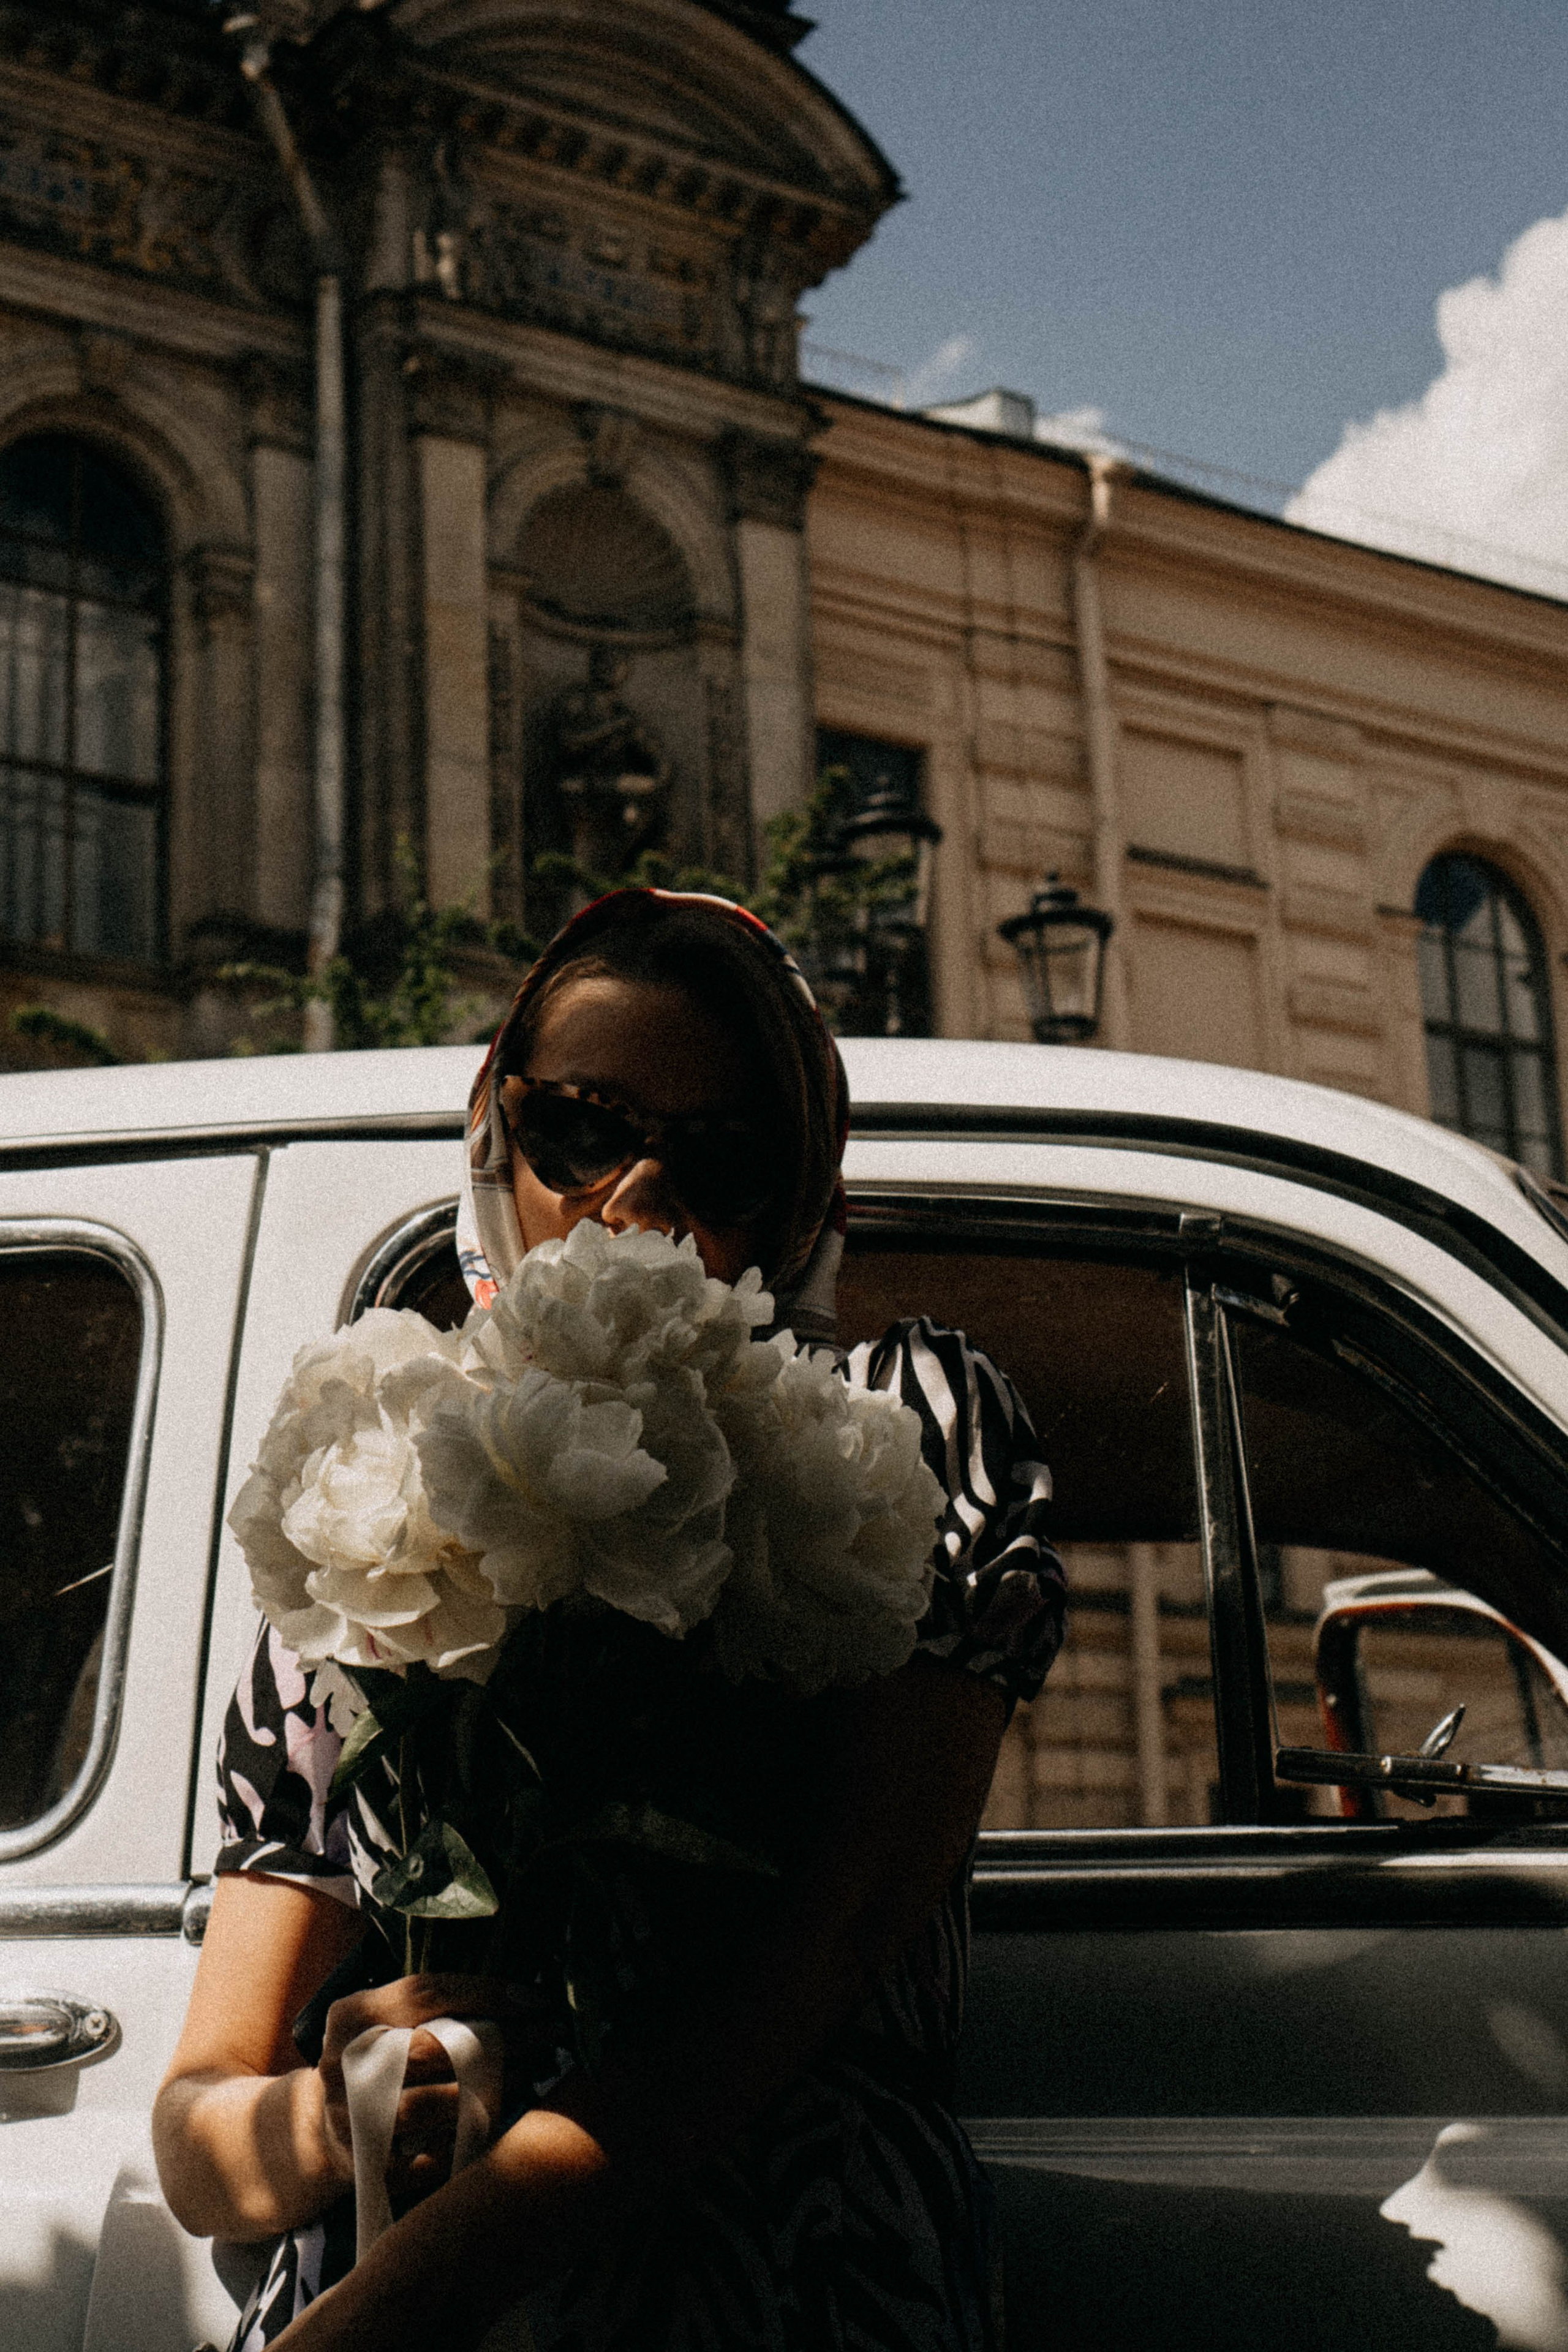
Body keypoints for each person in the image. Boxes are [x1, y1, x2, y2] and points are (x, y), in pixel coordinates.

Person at [153, 889, 1065, 2352]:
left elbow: (817, 1959)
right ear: (492, 1135)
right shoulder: (372, 1479)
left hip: (774, 2293)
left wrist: (375, 2322)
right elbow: (201, 2131)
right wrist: (339, 2112)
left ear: (800, 1199)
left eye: (720, 1157)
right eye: (579, 1130)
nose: (634, 1200)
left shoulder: (896, 1437)